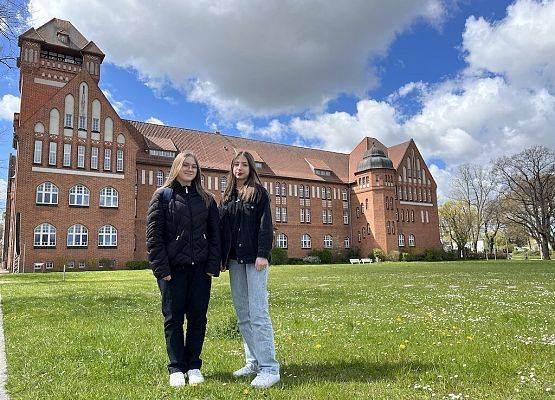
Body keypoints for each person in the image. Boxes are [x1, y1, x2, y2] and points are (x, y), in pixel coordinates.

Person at [146, 151, 220, 388]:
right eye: (185, 165)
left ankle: (194, 366)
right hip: (173, 270)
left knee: (198, 318)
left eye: (194, 166)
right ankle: (176, 367)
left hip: (199, 270)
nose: (190, 169)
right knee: (173, 319)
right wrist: (162, 269)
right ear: (176, 167)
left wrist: (211, 267)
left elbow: (215, 236)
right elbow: (153, 237)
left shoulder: (206, 199)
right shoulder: (162, 196)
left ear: (198, 171)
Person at [219, 151, 280, 389]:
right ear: (231, 168)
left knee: (258, 313)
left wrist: (263, 254)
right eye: (236, 164)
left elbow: (266, 225)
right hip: (234, 261)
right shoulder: (227, 196)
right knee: (243, 314)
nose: (239, 168)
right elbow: (223, 230)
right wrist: (222, 258)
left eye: (244, 164)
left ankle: (270, 368)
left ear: (251, 168)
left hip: (255, 260)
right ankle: (253, 361)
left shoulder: (258, 193)